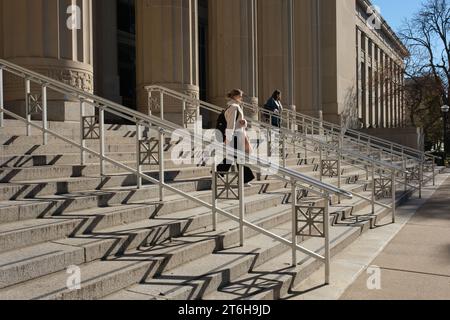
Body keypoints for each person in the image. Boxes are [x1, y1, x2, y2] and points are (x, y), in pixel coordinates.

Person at [216, 89, 255, 187]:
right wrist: (228, 138)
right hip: (236, 136)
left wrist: (244, 122)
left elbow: (238, 121)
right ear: (235, 96)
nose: (241, 98)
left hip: (237, 135)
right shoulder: (234, 107)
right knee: (239, 157)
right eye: (240, 96)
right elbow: (231, 124)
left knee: (233, 157)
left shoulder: (234, 106)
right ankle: (245, 179)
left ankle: (218, 171)